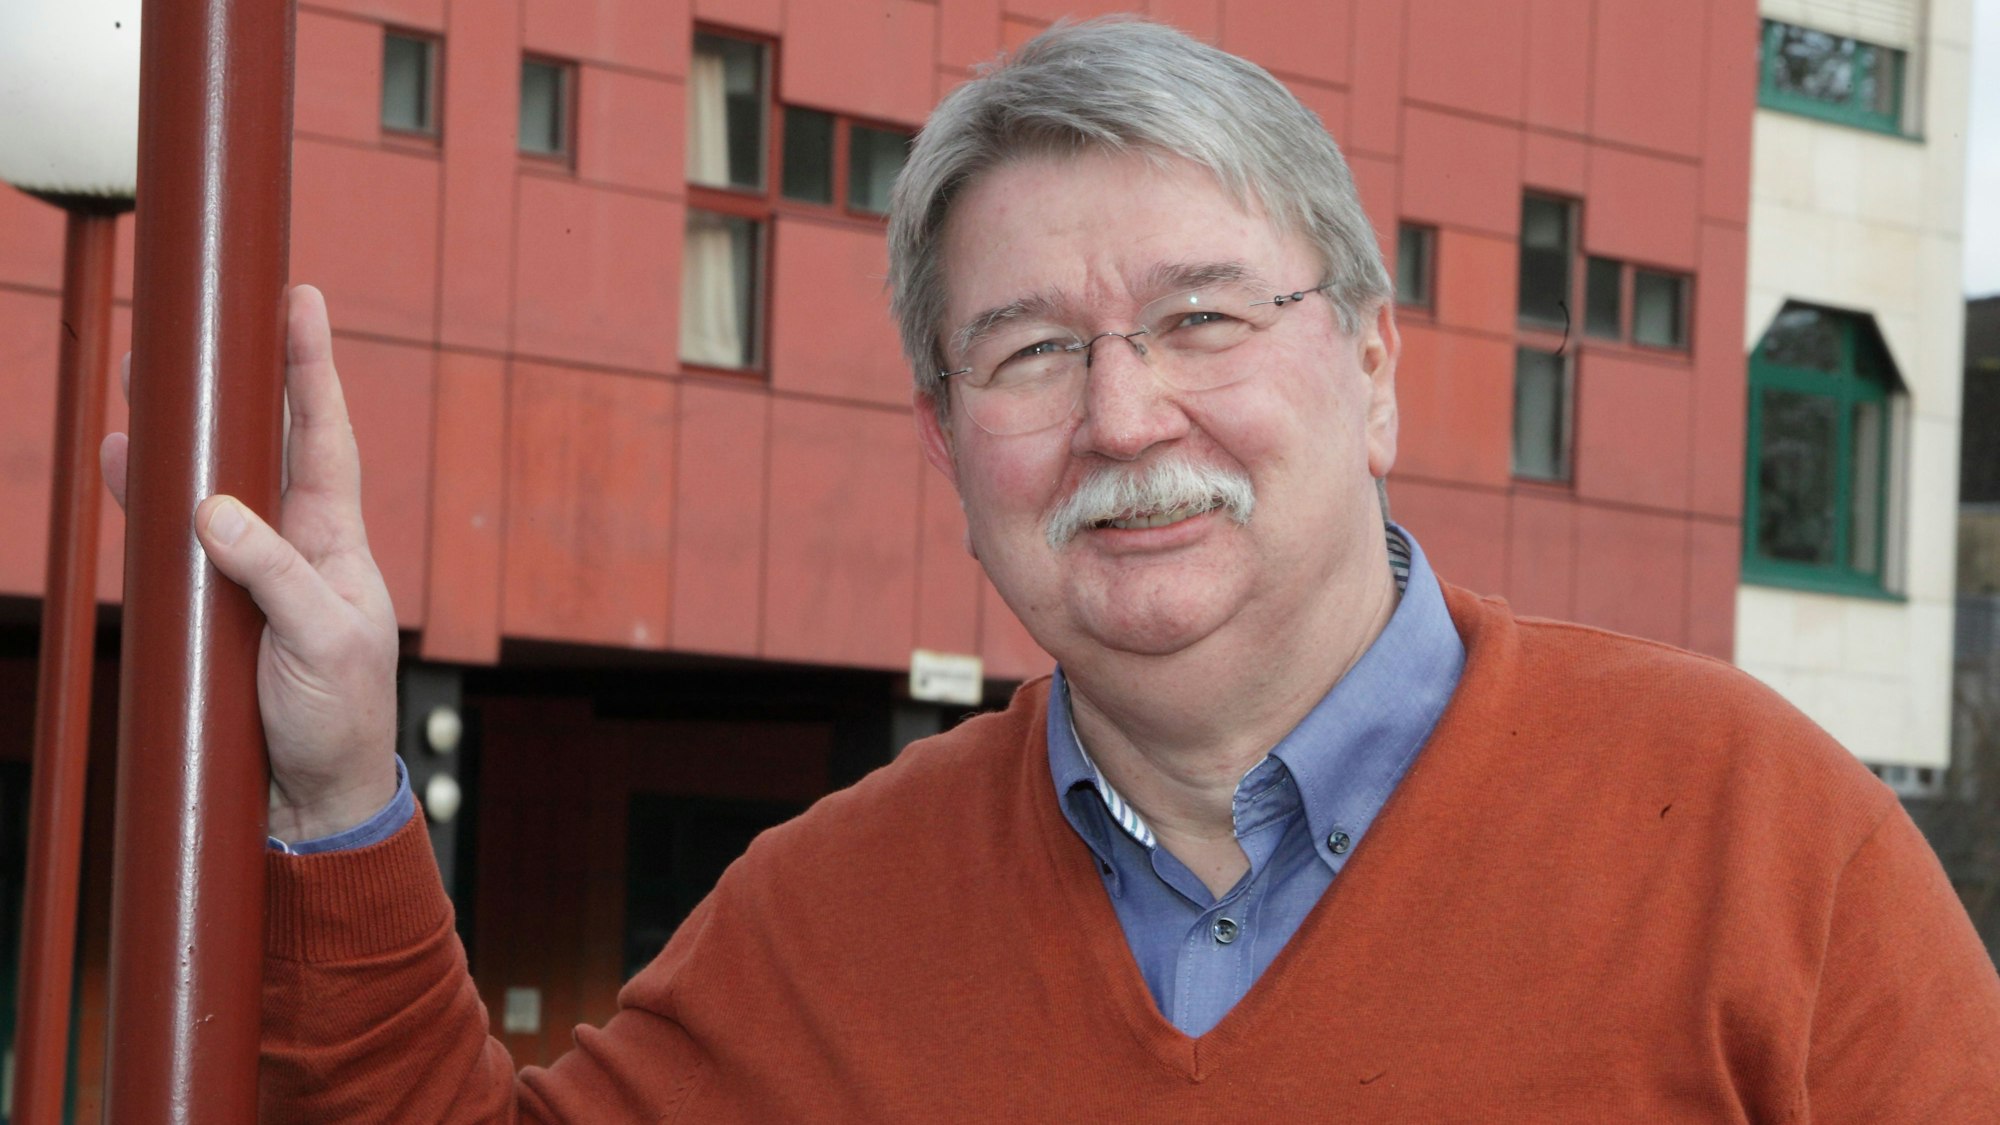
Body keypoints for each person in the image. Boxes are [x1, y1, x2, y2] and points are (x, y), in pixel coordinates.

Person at [103, 17, 2000, 1122]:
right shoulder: (823, 927)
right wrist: (345, 784)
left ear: (1372, 368)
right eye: (1028, 350)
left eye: (1200, 316)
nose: (1122, 413)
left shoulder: (1767, 849)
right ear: (946, 441)